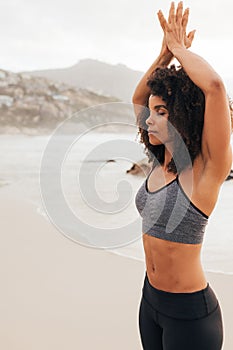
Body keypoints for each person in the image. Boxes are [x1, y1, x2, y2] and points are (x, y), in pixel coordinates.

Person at [133, 2, 232, 350]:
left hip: (190, 315)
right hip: (150, 302)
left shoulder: (205, 171)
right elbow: (138, 98)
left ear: (181, 115)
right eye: (152, 111)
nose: (149, 118)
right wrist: (162, 55)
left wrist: (179, 50)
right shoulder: (159, 160)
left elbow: (215, 88)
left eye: (161, 112)